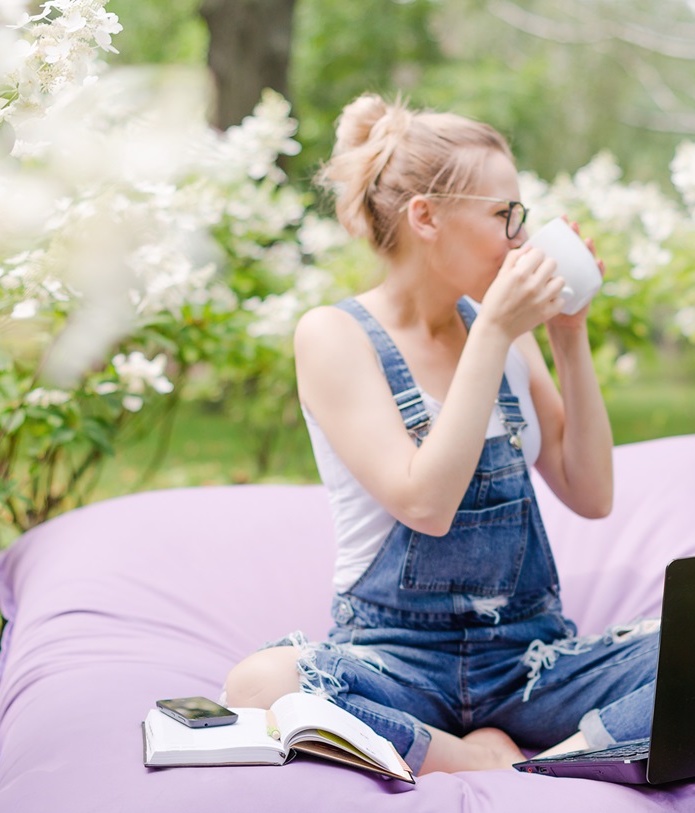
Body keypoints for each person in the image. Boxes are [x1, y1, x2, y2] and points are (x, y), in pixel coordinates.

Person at [221, 93, 660, 774]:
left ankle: (559, 758)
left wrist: (568, 336)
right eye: (503, 215)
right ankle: (471, 761)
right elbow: (424, 503)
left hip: (528, 664)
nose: (521, 238)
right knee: (260, 686)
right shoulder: (335, 336)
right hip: (395, 662)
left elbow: (591, 492)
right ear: (425, 216)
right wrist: (491, 331)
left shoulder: (508, 334)